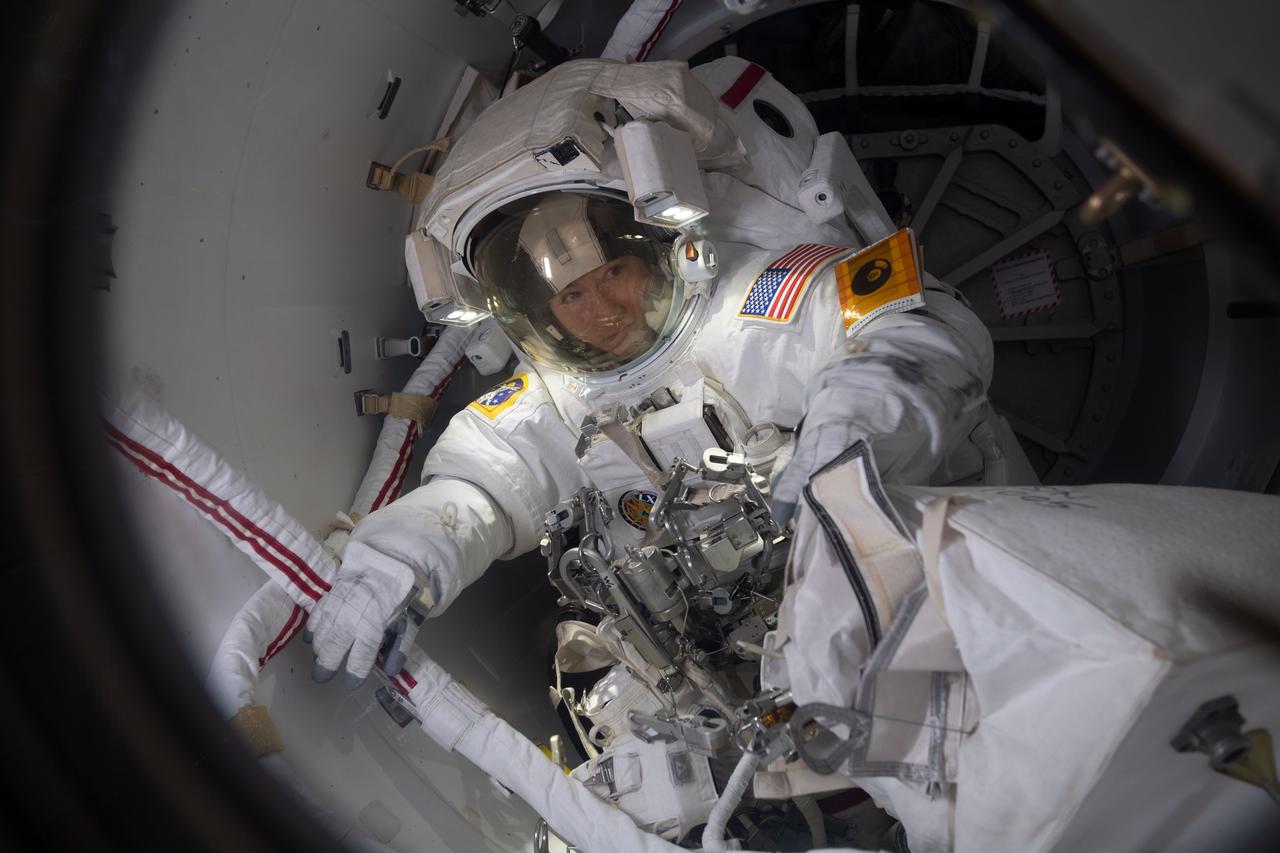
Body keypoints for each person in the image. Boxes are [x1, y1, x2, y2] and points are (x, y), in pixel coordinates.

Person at [305, 58, 1008, 687]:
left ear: (658, 243)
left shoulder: (762, 299)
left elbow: (922, 330)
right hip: (736, 680)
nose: (603, 309)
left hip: (944, 589)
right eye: (571, 295)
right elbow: (473, 490)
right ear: (535, 313)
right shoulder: (551, 397)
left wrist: (844, 448)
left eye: (614, 271)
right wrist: (396, 564)